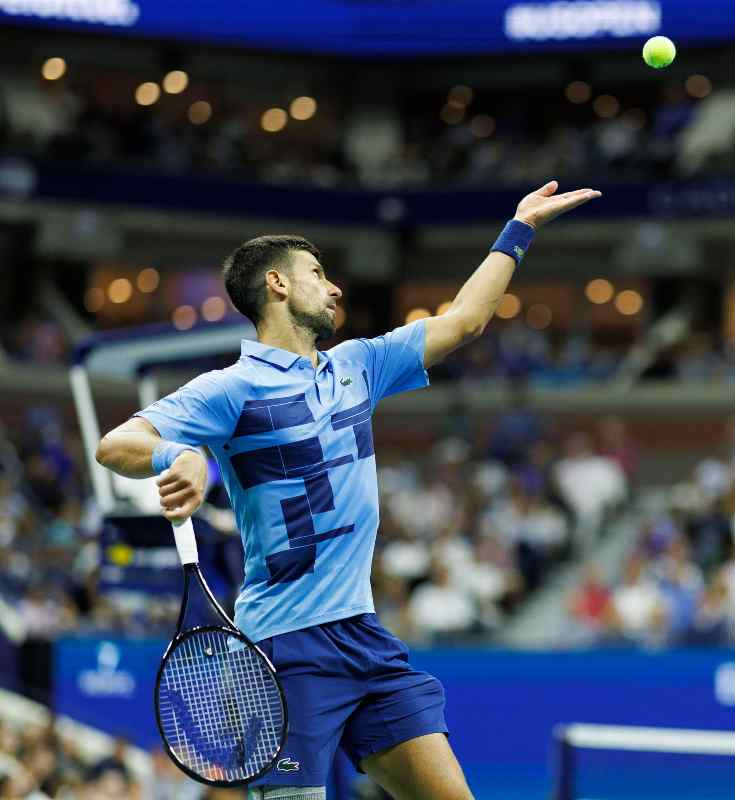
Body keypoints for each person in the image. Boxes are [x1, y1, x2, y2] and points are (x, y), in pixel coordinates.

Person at [94, 180, 601, 800]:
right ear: (277, 285)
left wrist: (519, 229)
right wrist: (178, 454)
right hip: (283, 648)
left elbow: (466, 321)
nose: (334, 288)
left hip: (363, 637)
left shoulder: (360, 363)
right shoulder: (229, 388)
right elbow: (116, 443)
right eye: (317, 273)